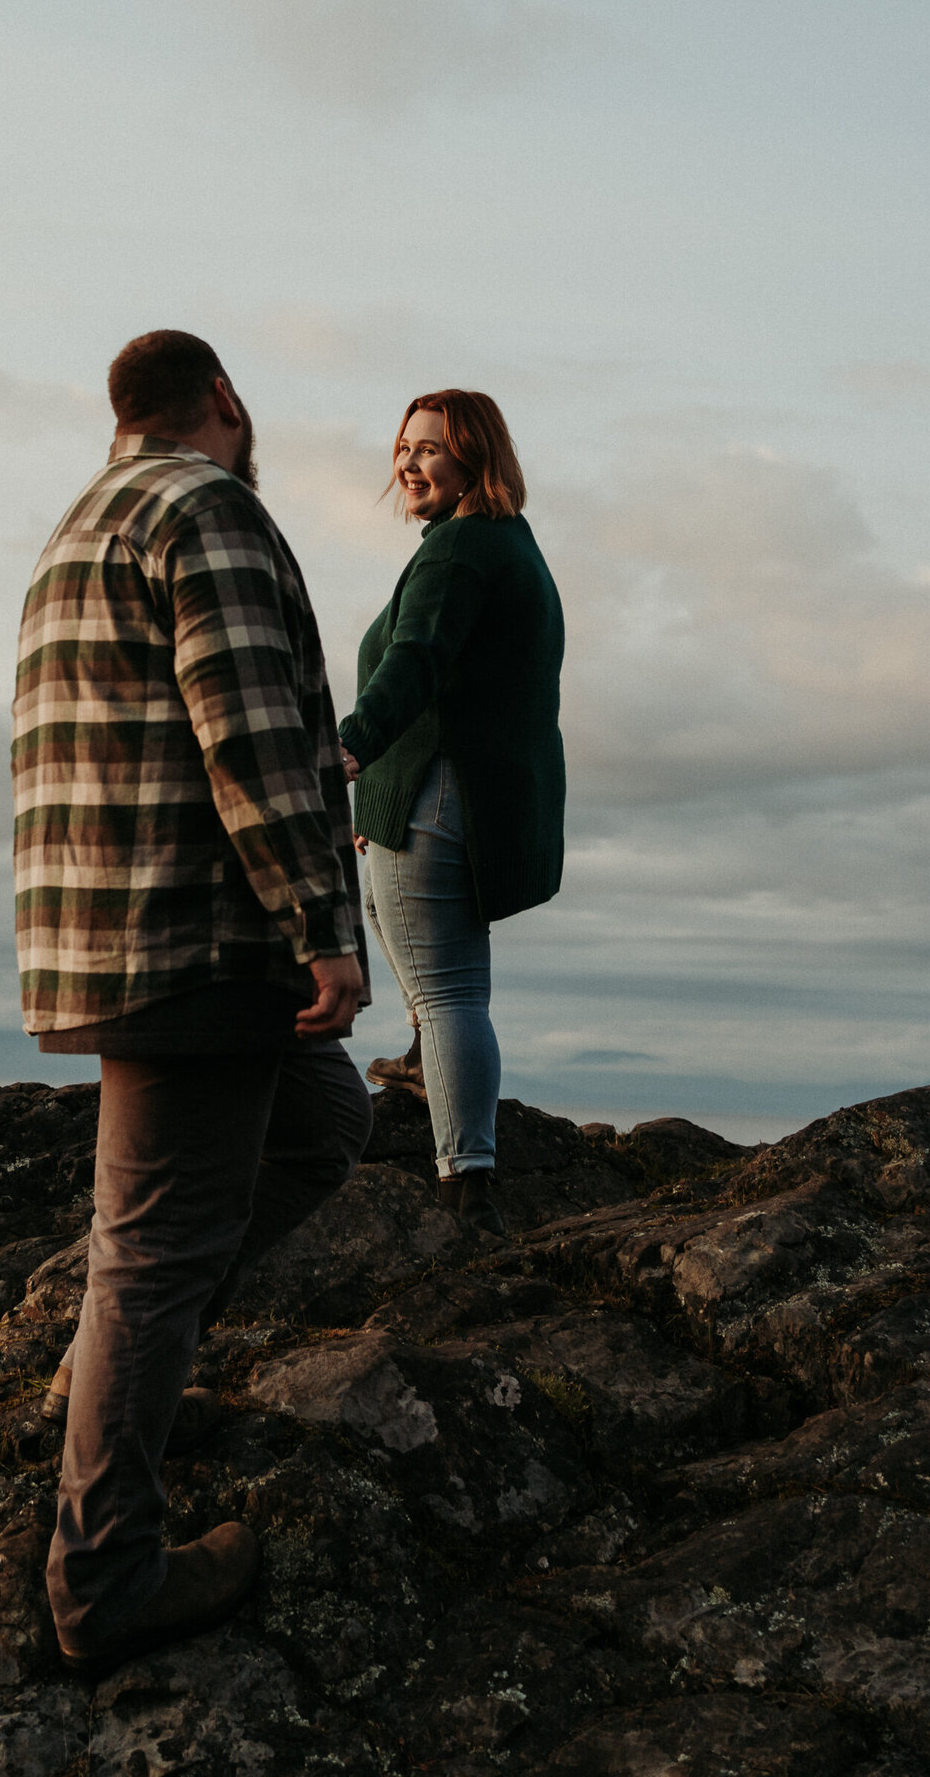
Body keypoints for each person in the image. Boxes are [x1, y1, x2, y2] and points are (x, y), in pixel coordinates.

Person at [12, 329, 370, 1682]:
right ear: (224, 398)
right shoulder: (207, 507)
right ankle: (107, 1576)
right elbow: (251, 736)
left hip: (106, 936)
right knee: (153, 1256)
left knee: (325, 1129)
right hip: (196, 943)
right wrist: (322, 929)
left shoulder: (80, 523)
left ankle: (109, 1381)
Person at [338, 391, 565, 1239]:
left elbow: (415, 662)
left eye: (429, 448)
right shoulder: (506, 544)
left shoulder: (460, 551)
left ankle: (466, 1188)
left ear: (475, 458)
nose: (408, 462)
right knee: (396, 930)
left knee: (450, 992)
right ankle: (427, 1068)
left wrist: (350, 751)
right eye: (402, 447)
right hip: (446, 793)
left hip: (438, 790)